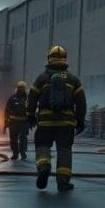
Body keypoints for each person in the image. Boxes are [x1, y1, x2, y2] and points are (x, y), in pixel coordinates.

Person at [28, 45, 87, 191]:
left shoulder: (41, 78)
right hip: (66, 123)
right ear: (65, 60)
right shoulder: (73, 80)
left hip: (45, 122)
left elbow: (32, 98)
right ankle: (63, 182)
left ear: (49, 59)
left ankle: (44, 166)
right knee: (64, 150)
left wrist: (30, 114)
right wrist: (80, 120)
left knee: (42, 146)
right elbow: (81, 102)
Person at [4, 81, 30, 160]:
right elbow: (7, 110)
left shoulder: (28, 98)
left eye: (22, 87)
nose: (20, 89)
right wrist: (6, 122)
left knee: (23, 138)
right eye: (19, 87)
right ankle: (15, 153)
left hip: (24, 122)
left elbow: (32, 109)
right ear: (17, 88)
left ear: (24, 88)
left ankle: (23, 153)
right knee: (13, 139)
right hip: (13, 123)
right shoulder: (12, 98)